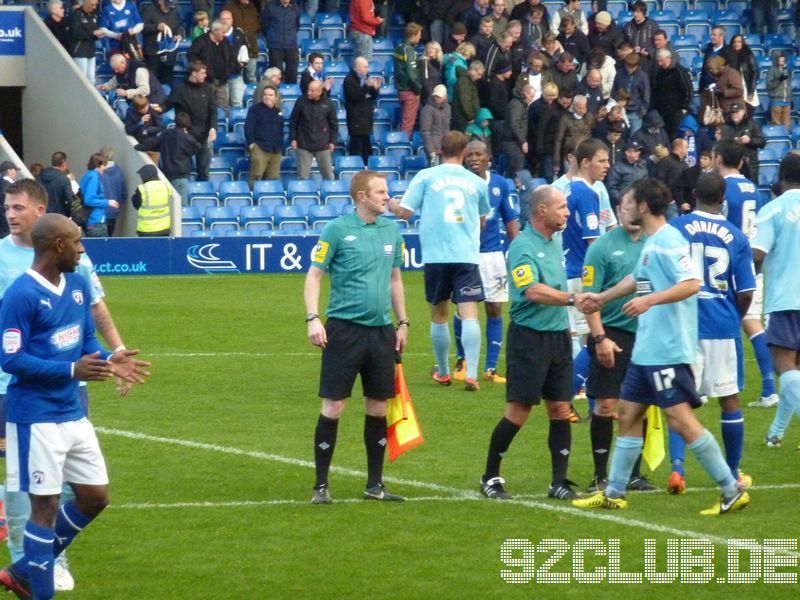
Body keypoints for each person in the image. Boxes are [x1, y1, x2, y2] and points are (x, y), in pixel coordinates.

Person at [573, 178, 750, 515]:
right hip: (647, 350)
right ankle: (613, 492)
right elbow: (637, 279)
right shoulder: (653, 243)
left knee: (680, 419)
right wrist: (602, 297)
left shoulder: (669, 241)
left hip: (668, 349)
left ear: (643, 206)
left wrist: (649, 301)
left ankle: (730, 489)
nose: (626, 208)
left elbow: (691, 284)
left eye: (631, 202)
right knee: (627, 414)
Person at [0, 213, 149, 600]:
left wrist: (110, 358)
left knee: (95, 496)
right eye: (78, 241)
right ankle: (38, 588)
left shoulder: (79, 284)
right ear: (58, 246)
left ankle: (22, 572)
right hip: (35, 417)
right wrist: (71, 369)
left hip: (72, 413)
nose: (83, 249)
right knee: (44, 508)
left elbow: (85, 342)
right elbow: (10, 360)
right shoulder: (21, 296)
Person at [479, 185, 590, 501]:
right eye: (562, 207)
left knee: (560, 407)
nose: (567, 213)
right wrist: (572, 299)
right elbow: (531, 290)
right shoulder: (522, 247)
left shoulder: (554, 241)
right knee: (518, 411)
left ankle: (558, 482)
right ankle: (490, 477)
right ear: (542, 210)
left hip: (557, 337)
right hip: (529, 338)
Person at [304, 171, 409, 505]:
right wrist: (313, 319)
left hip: (381, 332)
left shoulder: (392, 230)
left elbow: (395, 280)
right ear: (361, 196)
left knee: (378, 406)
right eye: (380, 191)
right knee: (334, 405)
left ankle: (374, 485)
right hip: (343, 330)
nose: (386, 196)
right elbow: (314, 276)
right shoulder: (337, 230)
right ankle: (321, 485)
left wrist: (403, 322)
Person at [667, 173, 756, 494]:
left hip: (682, 324)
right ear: (724, 200)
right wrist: (735, 316)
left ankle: (678, 470)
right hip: (721, 324)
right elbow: (746, 290)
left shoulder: (675, 228)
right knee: (729, 399)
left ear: (694, 193)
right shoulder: (735, 235)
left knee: (679, 401)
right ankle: (731, 473)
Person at [388, 131, 490, 390]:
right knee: (469, 314)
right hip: (466, 254)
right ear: (465, 152)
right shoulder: (476, 182)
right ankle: (471, 374)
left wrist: (391, 203)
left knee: (439, 313)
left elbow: (405, 213)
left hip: (436, 255)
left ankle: (443, 371)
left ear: (440, 150)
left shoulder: (425, 176)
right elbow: (482, 219)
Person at [581, 185, 653, 493]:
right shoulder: (601, 247)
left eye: (635, 205)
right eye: (624, 206)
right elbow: (589, 299)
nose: (630, 211)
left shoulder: (654, 245)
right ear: (617, 209)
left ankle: (634, 475)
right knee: (606, 404)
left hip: (646, 337)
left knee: (639, 405)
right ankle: (600, 475)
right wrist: (599, 339)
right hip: (611, 334)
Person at [713, 139, 777, 409]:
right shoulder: (752, 187)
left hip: (725, 260)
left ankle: (709, 386)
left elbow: (717, 222)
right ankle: (768, 388)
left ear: (718, 159)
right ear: (740, 162)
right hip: (749, 260)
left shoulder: (721, 188)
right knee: (752, 324)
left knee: (712, 321)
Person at [452, 141, 519, 383]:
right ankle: (462, 360)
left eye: (478, 154)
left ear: (488, 157)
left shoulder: (500, 184)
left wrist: (519, 251)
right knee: (464, 308)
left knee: (494, 307)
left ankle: (490, 368)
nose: (473, 158)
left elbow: (510, 220)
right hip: (465, 254)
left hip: (492, 255)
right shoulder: (458, 183)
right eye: (469, 154)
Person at [752, 152, 800, 448]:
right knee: (796, 373)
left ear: (780, 179)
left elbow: (757, 254)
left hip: (786, 298)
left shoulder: (773, 210)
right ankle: (776, 432)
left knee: (784, 367)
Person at [159, 60, 217, 182]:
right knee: (182, 170)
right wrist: (158, 108)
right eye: (202, 73)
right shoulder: (179, 89)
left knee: (203, 169)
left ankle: (202, 193)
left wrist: (213, 128)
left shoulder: (208, 88)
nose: (205, 75)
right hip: (185, 135)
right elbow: (167, 104)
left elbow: (213, 111)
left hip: (203, 136)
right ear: (193, 73)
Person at [138, 112, 203, 204]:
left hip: (167, 174)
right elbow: (198, 148)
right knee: (181, 206)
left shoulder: (166, 133)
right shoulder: (187, 138)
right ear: (188, 124)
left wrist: (137, 147)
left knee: (167, 204)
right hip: (181, 175)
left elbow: (152, 144)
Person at [188, 20, 241, 111]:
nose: (225, 35)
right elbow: (191, 55)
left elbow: (232, 59)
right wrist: (201, 68)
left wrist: (229, 71)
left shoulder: (226, 42)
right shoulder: (201, 41)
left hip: (222, 82)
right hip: (206, 82)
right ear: (215, 31)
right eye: (223, 32)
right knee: (204, 107)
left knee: (224, 109)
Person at [290, 80, 338, 181]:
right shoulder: (301, 101)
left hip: (323, 144)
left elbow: (333, 124)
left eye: (312, 91)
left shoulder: (328, 103)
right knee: (302, 176)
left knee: (328, 175)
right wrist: (293, 138)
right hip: (304, 144)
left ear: (320, 92)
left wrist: (332, 141)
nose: (308, 93)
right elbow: (293, 121)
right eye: (308, 90)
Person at [344, 57, 382, 165]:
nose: (367, 69)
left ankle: (367, 168)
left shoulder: (367, 77)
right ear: (357, 67)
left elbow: (372, 96)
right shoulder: (349, 79)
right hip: (355, 119)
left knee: (367, 147)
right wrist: (366, 86)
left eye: (367, 66)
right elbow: (354, 97)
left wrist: (375, 88)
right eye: (365, 66)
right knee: (356, 147)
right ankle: (355, 168)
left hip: (366, 118)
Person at [244, 86, 283, 187]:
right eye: (265, 95)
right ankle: (254, 200)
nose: (268, 97)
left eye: (270, 95)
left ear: (275, 97)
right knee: (256, 176)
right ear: (262, 96)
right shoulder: (254, 109)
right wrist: (251, 144)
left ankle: (270, 201)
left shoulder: (277, 112)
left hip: (276, 151)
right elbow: (248, 127)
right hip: (260, 148)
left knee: (273, 179)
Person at [652, 48, 694, 141]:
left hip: (677, 111)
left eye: (661, 61)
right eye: (658, 61)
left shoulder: (679, 71)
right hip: (664, 111)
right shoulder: (660, 72)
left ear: (668, 58)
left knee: (675, 135)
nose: (659, 64)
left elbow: (688, 89)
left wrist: (684, 107)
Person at [98, 54, 168, 107]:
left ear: (123, 63)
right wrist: (105, 87)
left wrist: (126, 93)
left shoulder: (139, 70)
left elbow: (145, 90)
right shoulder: (121, 71)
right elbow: (115, 81)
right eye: (114, 69)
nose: (116, 71)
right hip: (140, 103)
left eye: (117, 68)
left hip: (154, 101)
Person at [141, 0, 185, 85]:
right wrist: (156, 27)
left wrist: (179, 34)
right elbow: (142, 27)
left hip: (169, 53)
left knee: (167, 83)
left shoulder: (174, 11)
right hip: (152, 53)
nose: (172, 3)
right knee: (152, 82)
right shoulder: (149, 9)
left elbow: (179, 26)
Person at [720, 103, 765, 184]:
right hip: (732, 163)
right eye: (732, 113)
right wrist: (732, 141)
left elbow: (762, 142)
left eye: (737, 112)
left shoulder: (752, 123)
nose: (734, 115)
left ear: (743, 112)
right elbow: (722, 144)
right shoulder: (726, 126)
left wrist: (750, 141)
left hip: (750, 163)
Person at [393, 22, 423, 138]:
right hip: (409, 90)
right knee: (408, 124)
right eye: (419, 34)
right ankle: (403, 146)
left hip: (401, 88)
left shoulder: (399, 47)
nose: (420, 37)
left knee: (404, 121)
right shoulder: (408, 51)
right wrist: (418, 89)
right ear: (413, 35)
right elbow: (411, 75)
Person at [79, 153, 119, 238]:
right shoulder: (94, 177)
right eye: (104, 165)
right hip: (96, 220)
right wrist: (107, 202)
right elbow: (89, 199)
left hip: (89, 220)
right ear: (98, 165)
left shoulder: (87, 175)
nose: (105, 168)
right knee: (103, 249)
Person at [261, 0, 300, 85]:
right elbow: (264, 25)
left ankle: (290, 94)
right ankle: (275, 96)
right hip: (275, 46)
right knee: (275, 76)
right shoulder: (270, 7)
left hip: (291, 45)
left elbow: (297, 25)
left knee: (292, 75)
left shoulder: (295, 7)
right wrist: (272, 37)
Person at [68, 0, 104, 85]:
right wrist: (92, 33)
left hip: (91, 50)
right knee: (82, 79)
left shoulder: (93, 15)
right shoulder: (76, 15)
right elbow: (75, 33)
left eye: (95, 5)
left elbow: (94, 29)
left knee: (91, 79)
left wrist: (97, 35)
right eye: (92, 5)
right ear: (85, 2)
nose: (94, 7)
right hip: (79, 51)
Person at [131, 164, 171, 237]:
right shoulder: (165, 186)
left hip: (146, 230)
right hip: (164, 229)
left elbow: (136, 204)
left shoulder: (142, 189)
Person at [605, 140, 646, 207]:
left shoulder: (642, 166)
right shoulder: (617, 168)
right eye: (635, 151)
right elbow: (611, 187)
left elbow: (646, 185)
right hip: (622, 206)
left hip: (638, 204)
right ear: (627, 153)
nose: (638, 153)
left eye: (639, 151)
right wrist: (622, 200)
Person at [98, 146, 126, 237]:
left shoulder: (98, 173)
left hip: (99, 212)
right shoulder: (119, 171)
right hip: (113, 212)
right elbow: (123, 193)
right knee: (109, 238)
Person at [420, 85, 452, 164]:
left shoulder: (448, 107)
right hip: (433, 148)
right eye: (436, 96)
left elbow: (447, 128)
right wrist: (431, 150)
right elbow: (425, 131)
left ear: (445, 96)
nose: (437, 98)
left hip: (445, 148)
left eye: (439, 96)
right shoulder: (427, 109)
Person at [38, 152, 74, 218]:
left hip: (42, 214)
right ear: (63, 164)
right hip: (59, 215)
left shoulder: (40, 176)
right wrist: (67, 213)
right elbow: (70, 200)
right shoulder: (64, 179)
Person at [766, 52, 792, 128]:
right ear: (776, 60)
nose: (782, 62)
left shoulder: (787, 70)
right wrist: (780, 79)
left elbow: (788, 85)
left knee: (786, 124)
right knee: (776, 124)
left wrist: (791, 98)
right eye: (780, 60)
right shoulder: (772, 70)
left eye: (783, 60)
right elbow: (769, 85)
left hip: (787, 101)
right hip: (776, 100)